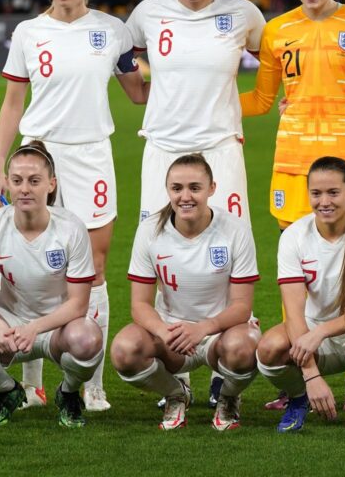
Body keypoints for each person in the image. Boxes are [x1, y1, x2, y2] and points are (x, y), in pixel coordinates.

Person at [0, 0, 148, 412]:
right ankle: (34, 381)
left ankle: (91, 381)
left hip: (91, 156)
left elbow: (138, 94)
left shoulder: (112, 30)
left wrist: (186, 76)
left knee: (94, 267)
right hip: (37, 154)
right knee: (25, 267)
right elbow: (12, 103)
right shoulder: (27, 32)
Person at [239, 0, 345, 411]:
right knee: (294, 268)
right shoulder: (277, 30)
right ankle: (298, 379)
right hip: (293, 162)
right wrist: (191, 103)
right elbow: (260, 100)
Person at [126, 0, 265, 407]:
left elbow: (277, 52)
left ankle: (230, 355)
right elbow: (124, 55)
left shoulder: (243, 13)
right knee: (161, 249)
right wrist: (139, 94)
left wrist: (270, 101)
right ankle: (174, 362)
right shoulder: (148, 12)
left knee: (228, 250)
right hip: (162, 147)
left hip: (220, 148)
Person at [0, 142, 103, 428]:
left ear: (51, 184)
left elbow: (78, 304)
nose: (24, 189)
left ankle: (68, 393)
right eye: (17, 181)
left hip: (59, 325)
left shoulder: (71, 228)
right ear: (8, 183)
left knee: (89, 340)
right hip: (9, 319)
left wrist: (34, 328)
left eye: (34, 181)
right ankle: (6, 390)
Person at [110, 154, 261, 431]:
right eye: (177, 188)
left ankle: (228, 397)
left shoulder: (235, 230)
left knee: (245, 348)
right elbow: (140, 305)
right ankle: (176, 393)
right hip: (173, 336)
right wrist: (164, 330)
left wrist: (203, 328)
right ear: (167, 190)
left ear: (212, 188)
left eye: (195, 187)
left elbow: (242, 305)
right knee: (124, 350)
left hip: (222, 333)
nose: (185, 196)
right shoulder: (149, 231)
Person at [256, 157, 345, 434]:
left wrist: (320, 332)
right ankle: (298, 400)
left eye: (333, 192)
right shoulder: (293, 236)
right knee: (268, 349)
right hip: (313, 329)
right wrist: (311, 375)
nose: (324, 201)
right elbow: (294, 312)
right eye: (316, 193)